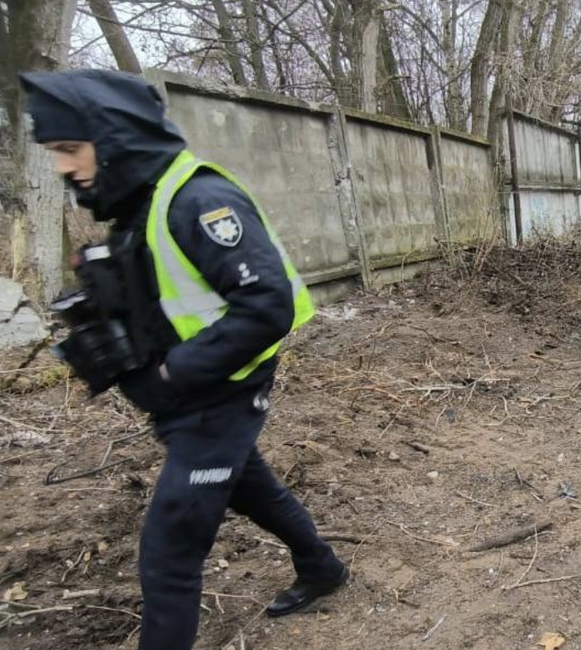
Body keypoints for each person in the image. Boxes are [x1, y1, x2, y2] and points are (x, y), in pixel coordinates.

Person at [19, 70, 348, 650]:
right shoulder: (140, 206)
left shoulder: (199, 199)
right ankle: (322, 568)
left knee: (168, 554)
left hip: (219, 398)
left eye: (69, 149)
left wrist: (174, 373)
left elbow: (266, 306)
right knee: (253, 488)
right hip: (190, 401)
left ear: (114, 136)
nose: (62, 168)